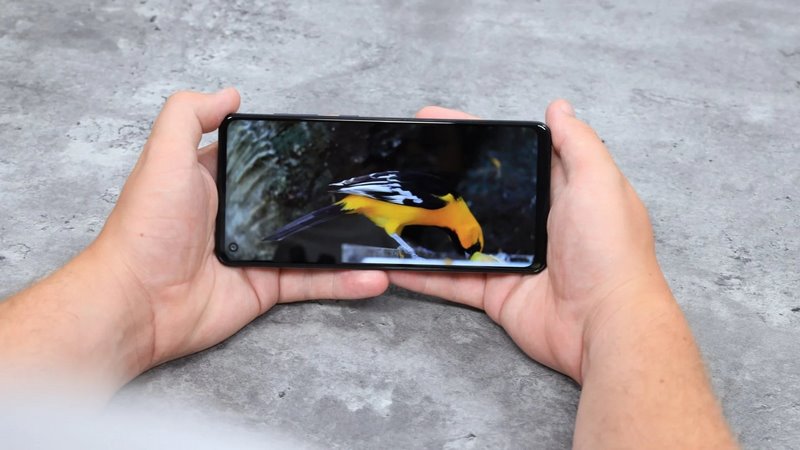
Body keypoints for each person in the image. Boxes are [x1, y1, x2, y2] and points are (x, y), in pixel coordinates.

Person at [0, 89, 736, 447]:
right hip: (366, 205)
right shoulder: (432, 201)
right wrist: (620, 307)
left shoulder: (443, 212)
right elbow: (383, 198)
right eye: (468, 241)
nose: (468, 244)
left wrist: (132, 293)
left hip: (377, 214)